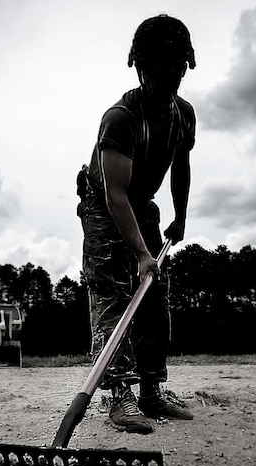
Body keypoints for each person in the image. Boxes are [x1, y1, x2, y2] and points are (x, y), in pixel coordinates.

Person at [77, 14, 196, 434]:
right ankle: (119, 395)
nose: (168, 79)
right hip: (103, 202)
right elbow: (114, 195)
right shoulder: (121, 119)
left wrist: (180, 216)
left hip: (141, 202)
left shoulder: (184, 115)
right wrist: (142, 252)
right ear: (140, 67)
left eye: (176, 69)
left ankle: (150, 391)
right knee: (114, 292)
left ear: (186, 66)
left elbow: (180, 165)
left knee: (154, 295)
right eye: (158, 70)